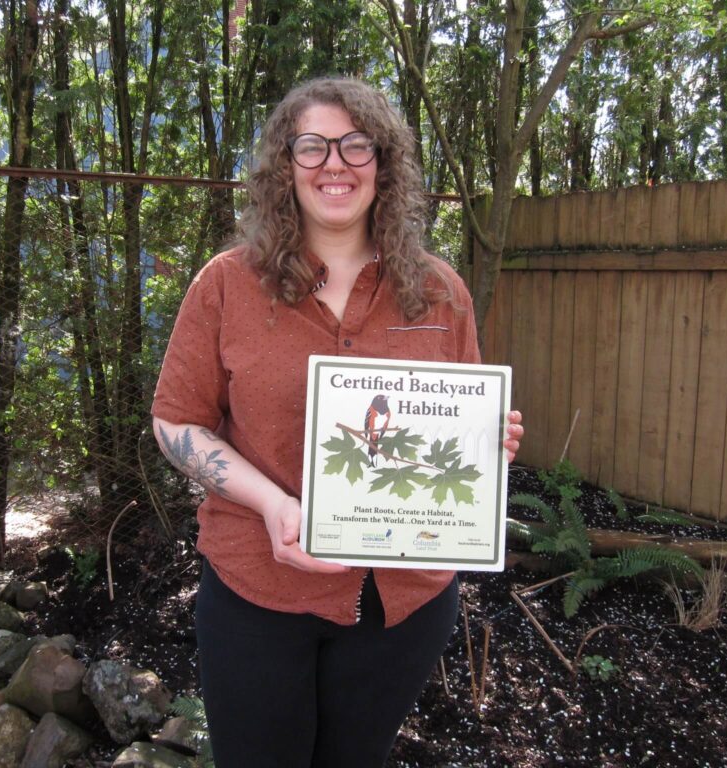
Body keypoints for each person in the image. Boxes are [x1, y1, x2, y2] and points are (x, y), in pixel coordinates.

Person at [151, 77, 524, 768]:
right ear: (285, 166)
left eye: (356, 146)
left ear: (384, 164)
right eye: (313, 146)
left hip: (401, 602)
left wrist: (487, 443)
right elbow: (177, 422)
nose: (334, 164)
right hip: (257, 590)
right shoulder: (227, 285)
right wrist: (269, 503)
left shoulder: (441, 290)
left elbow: (464, 428)